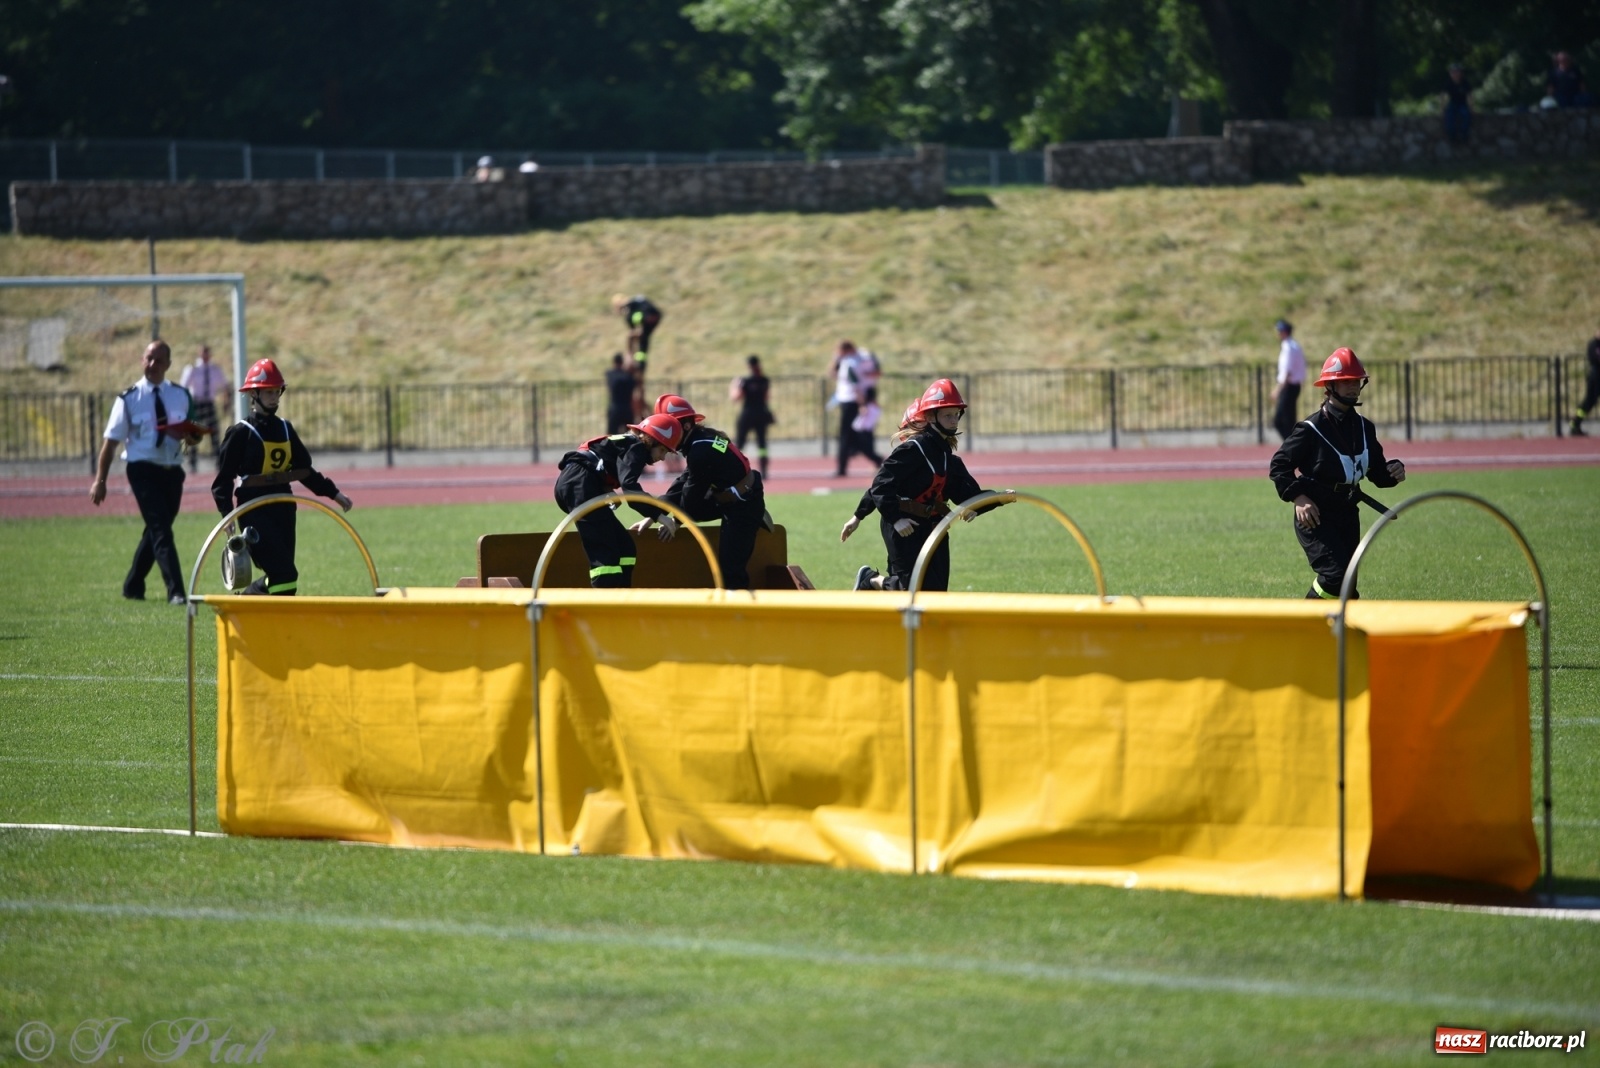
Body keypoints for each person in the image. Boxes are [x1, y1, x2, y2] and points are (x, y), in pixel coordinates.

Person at [842, 379, 1008, 593]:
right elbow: (880, 486)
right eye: (947, 415)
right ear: (930, 417)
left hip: (934, 525)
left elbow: (967, 496)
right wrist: (881, 517)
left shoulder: (949, 459)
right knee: (910, 589)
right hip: (904, 526)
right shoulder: (913, 449)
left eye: (956, 414)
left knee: (936, 592)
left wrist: (997, 498)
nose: (954, 420)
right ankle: (871, 581)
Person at [1269, 348, 1406, 601]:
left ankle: (1340, 632)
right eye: (1346, 382)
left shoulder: (1365, 428)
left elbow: (1377, 472)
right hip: (1316, 515)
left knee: (1347, 583)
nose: (1353, 387)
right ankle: (1305, 621)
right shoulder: (1310, 429)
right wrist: (1299, 497)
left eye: (1356, 381)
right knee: (1335, 576)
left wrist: (1393, 471)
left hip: (1347, 512)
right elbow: (1279, 466)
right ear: (1330, 386)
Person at [211, 358, 352, 596]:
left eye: (277, 391)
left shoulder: (285, 428)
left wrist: (334, 493)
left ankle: (252, 606)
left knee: (282, 577)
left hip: (284, 508)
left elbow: (305, 472)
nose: (274, 397)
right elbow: (223, 480)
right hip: (253, 509)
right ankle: (254, 606)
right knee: (285, 574)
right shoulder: (240, 432)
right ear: (253, 394)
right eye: (268, 392)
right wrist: (227, 514)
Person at [90, 339, 203, 605]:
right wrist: (100, 481)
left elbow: (195, 433)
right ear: (142, 360)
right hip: (142, 470)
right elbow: (110, 443)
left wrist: (193, 435)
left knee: (156, 529)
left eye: (159, 360)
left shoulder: (180, 394)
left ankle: (133, 584)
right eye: (148, 358)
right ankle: (176, 591)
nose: (153, 364)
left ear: (169, 364)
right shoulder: (129, 398)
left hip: (173, 472)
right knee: (161, 529)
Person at [633, 407, 769, 590]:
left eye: (670, 425)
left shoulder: (700, 450)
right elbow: (683, 483)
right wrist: (654, 513)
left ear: (686, 425)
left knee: (731, 570)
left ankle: (739, 615)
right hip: (732, 496)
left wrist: (674, 520)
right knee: (689, 509)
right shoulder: (701, 440)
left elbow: (691, 498)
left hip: (743, 505)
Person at [554, 414, 681, 588]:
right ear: (651, 440)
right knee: (605, 554)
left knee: (625, 548)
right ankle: (608, 608)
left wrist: (605, 489)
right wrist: (659, 515)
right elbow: (630, 487)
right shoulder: (637, 447)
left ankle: (623, 598)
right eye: (662, 450)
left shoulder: (629, 443)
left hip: (580, 483)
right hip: (580, 485)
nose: (663, 458)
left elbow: (601, 462)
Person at [828, 339, 882, 476]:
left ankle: (843, 467)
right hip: (854, 400)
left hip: (852, 401)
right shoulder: (853, 360)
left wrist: (862, 403)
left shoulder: (851, 363)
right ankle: (876, 460)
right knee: (854, 436)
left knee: (848, 436)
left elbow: (855, 385)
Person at [178, 343, 230, 471]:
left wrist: (226, 402)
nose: (206, 356)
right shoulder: (192, 369)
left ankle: (219, 463)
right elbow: (183, 388)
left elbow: (225, 386)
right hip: (196, 403)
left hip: (209, 403)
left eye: (207, 353)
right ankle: (192, 463)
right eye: (203, 353)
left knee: (214, 433)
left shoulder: (215, 370)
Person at [612, 294, 663, 417]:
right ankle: (647, 415)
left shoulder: (636, 309)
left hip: (639, 358)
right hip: (638, 358)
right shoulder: (634, 314)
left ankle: (648, 415)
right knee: (638, 390)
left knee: (639, 389)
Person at [730, 354, 775, 478]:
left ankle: (734, 468)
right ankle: (764, 470)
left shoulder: (745, 381)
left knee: (740, 443)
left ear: (749, 366)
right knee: (762, 443)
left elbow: (736, 397)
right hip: (761, 413)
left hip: (748, 414)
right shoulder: (764, 380)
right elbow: (766, 397)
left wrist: (734, 386)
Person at [1270, 319, 1307, 440]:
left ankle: (1291, 446)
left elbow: (1287, 371)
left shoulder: (1288, 347)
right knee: (1289, 420)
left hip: (1289, 386)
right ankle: (1293, 445)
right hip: (1294, 386)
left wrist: (1277, 390)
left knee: (1280, 420)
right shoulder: (1294, 346)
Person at [1571, 323, 1600, 436]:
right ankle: (1575, 423)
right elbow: (1594, 359)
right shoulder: (1593, 345)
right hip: (1595, 377)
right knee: (1589, 401)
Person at [605, 352, 637, 434]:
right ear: (622, 363)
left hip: (615, 407)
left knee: (611, 435)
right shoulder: (628, 377)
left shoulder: (610, 374)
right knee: (630, 435)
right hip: (627, 408)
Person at [1442, 63, 1472, 145]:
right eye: (1453, 72)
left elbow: (1469, 96)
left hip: (1462, 104)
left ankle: (1463, 134)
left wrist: (1471, 107)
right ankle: (1452, 135)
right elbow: (1444, 96)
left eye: (1457, 71)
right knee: (1449, 116)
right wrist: (1442, 108)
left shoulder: (1465, 83)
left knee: (1466, 115)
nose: (1455, 74)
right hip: (1452, 104)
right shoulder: (1448, 83)